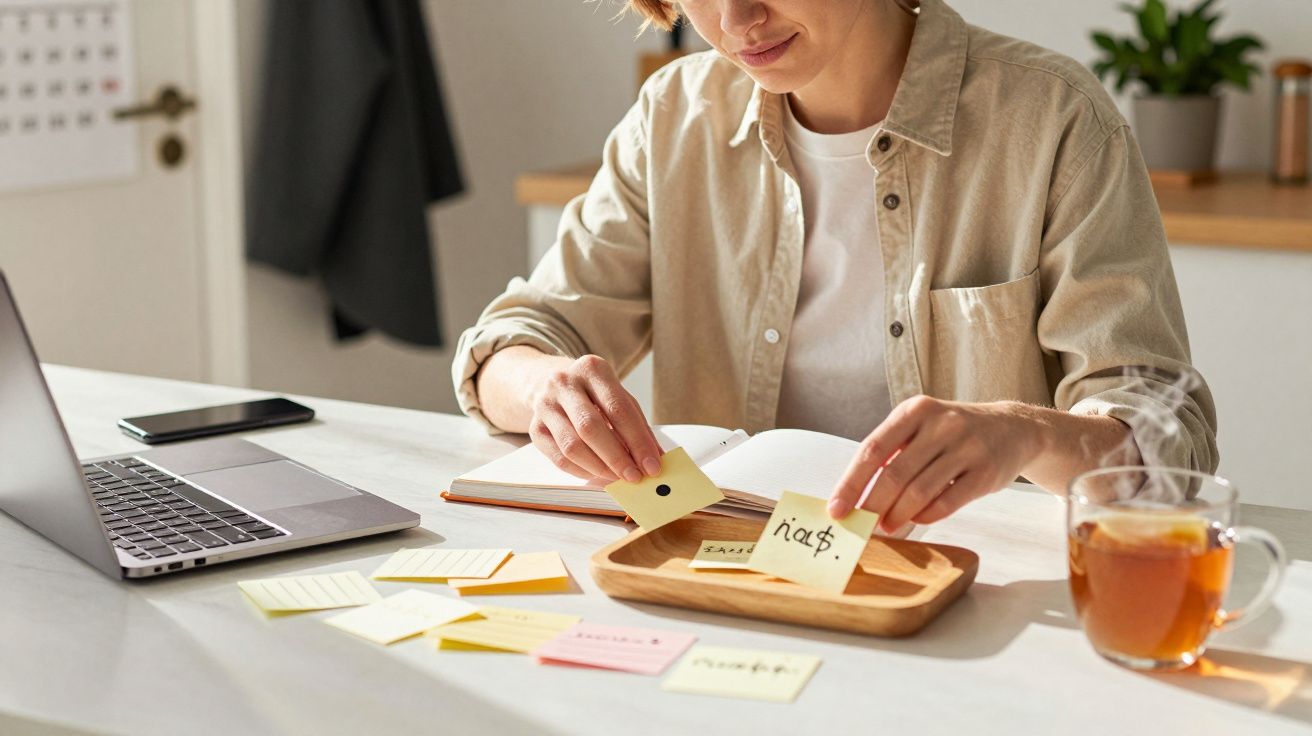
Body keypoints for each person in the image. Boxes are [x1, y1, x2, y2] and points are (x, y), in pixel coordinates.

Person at [451, 0, 1218, 534]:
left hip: (975, 591)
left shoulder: (1052, 119)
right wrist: (546, 388)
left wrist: (1024, 434)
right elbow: (515, 339)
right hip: (723, 577)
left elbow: (1164, 429)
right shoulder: (673, 116)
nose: (734, 19)